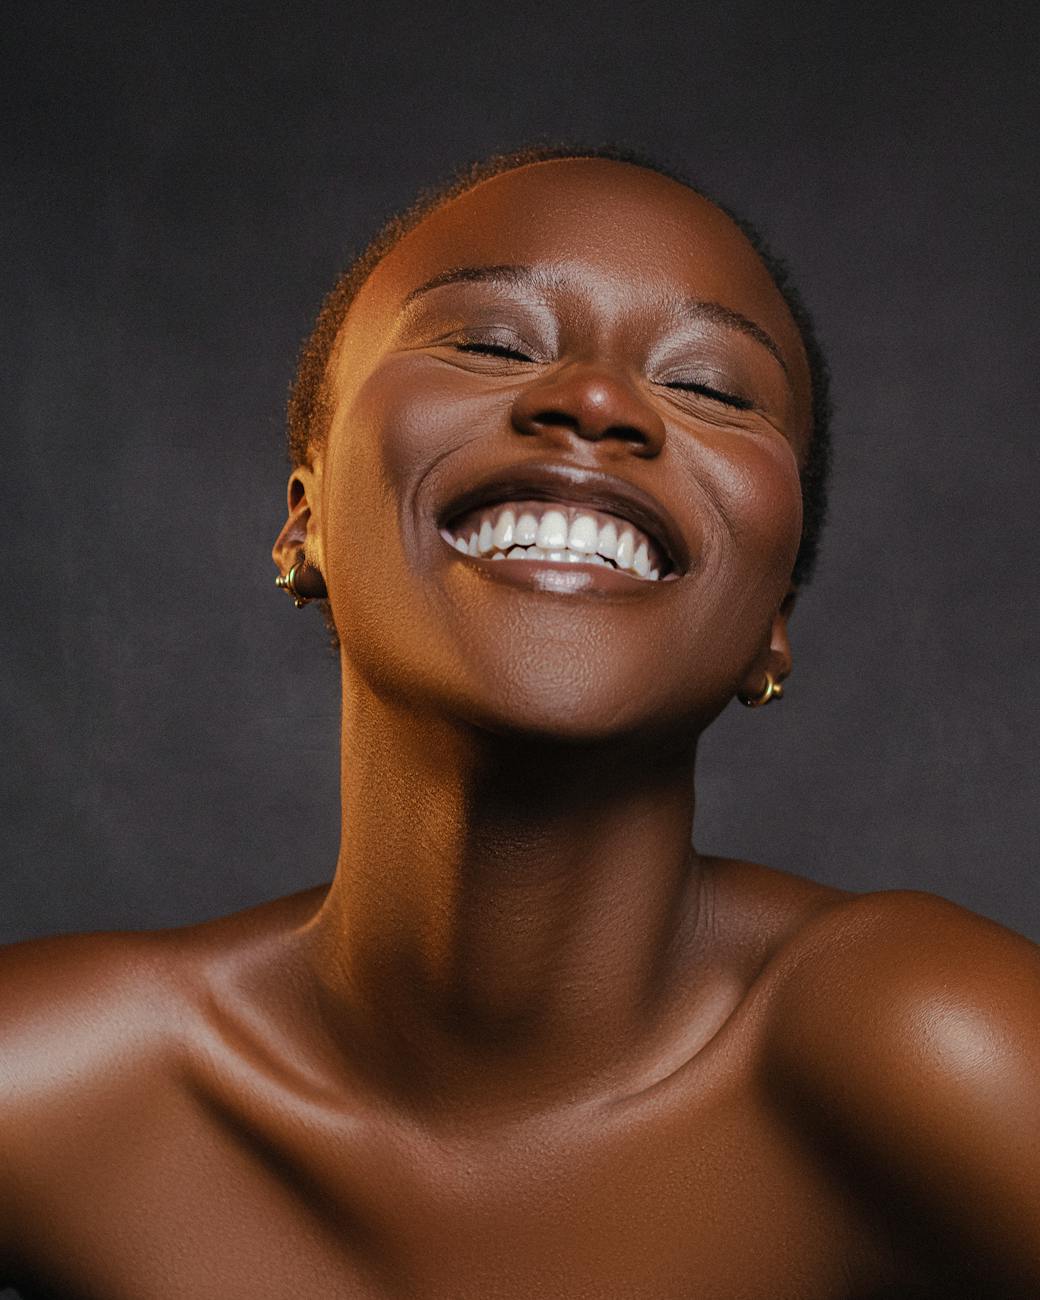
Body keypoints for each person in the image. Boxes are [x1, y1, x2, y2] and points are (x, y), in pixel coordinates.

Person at [1, 144, 1037, 1299]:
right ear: (305, 527)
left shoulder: (925, 1041)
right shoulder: (54, 1084)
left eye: (708, 387)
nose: (592, 401)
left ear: (770, 630)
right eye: (489, 343)